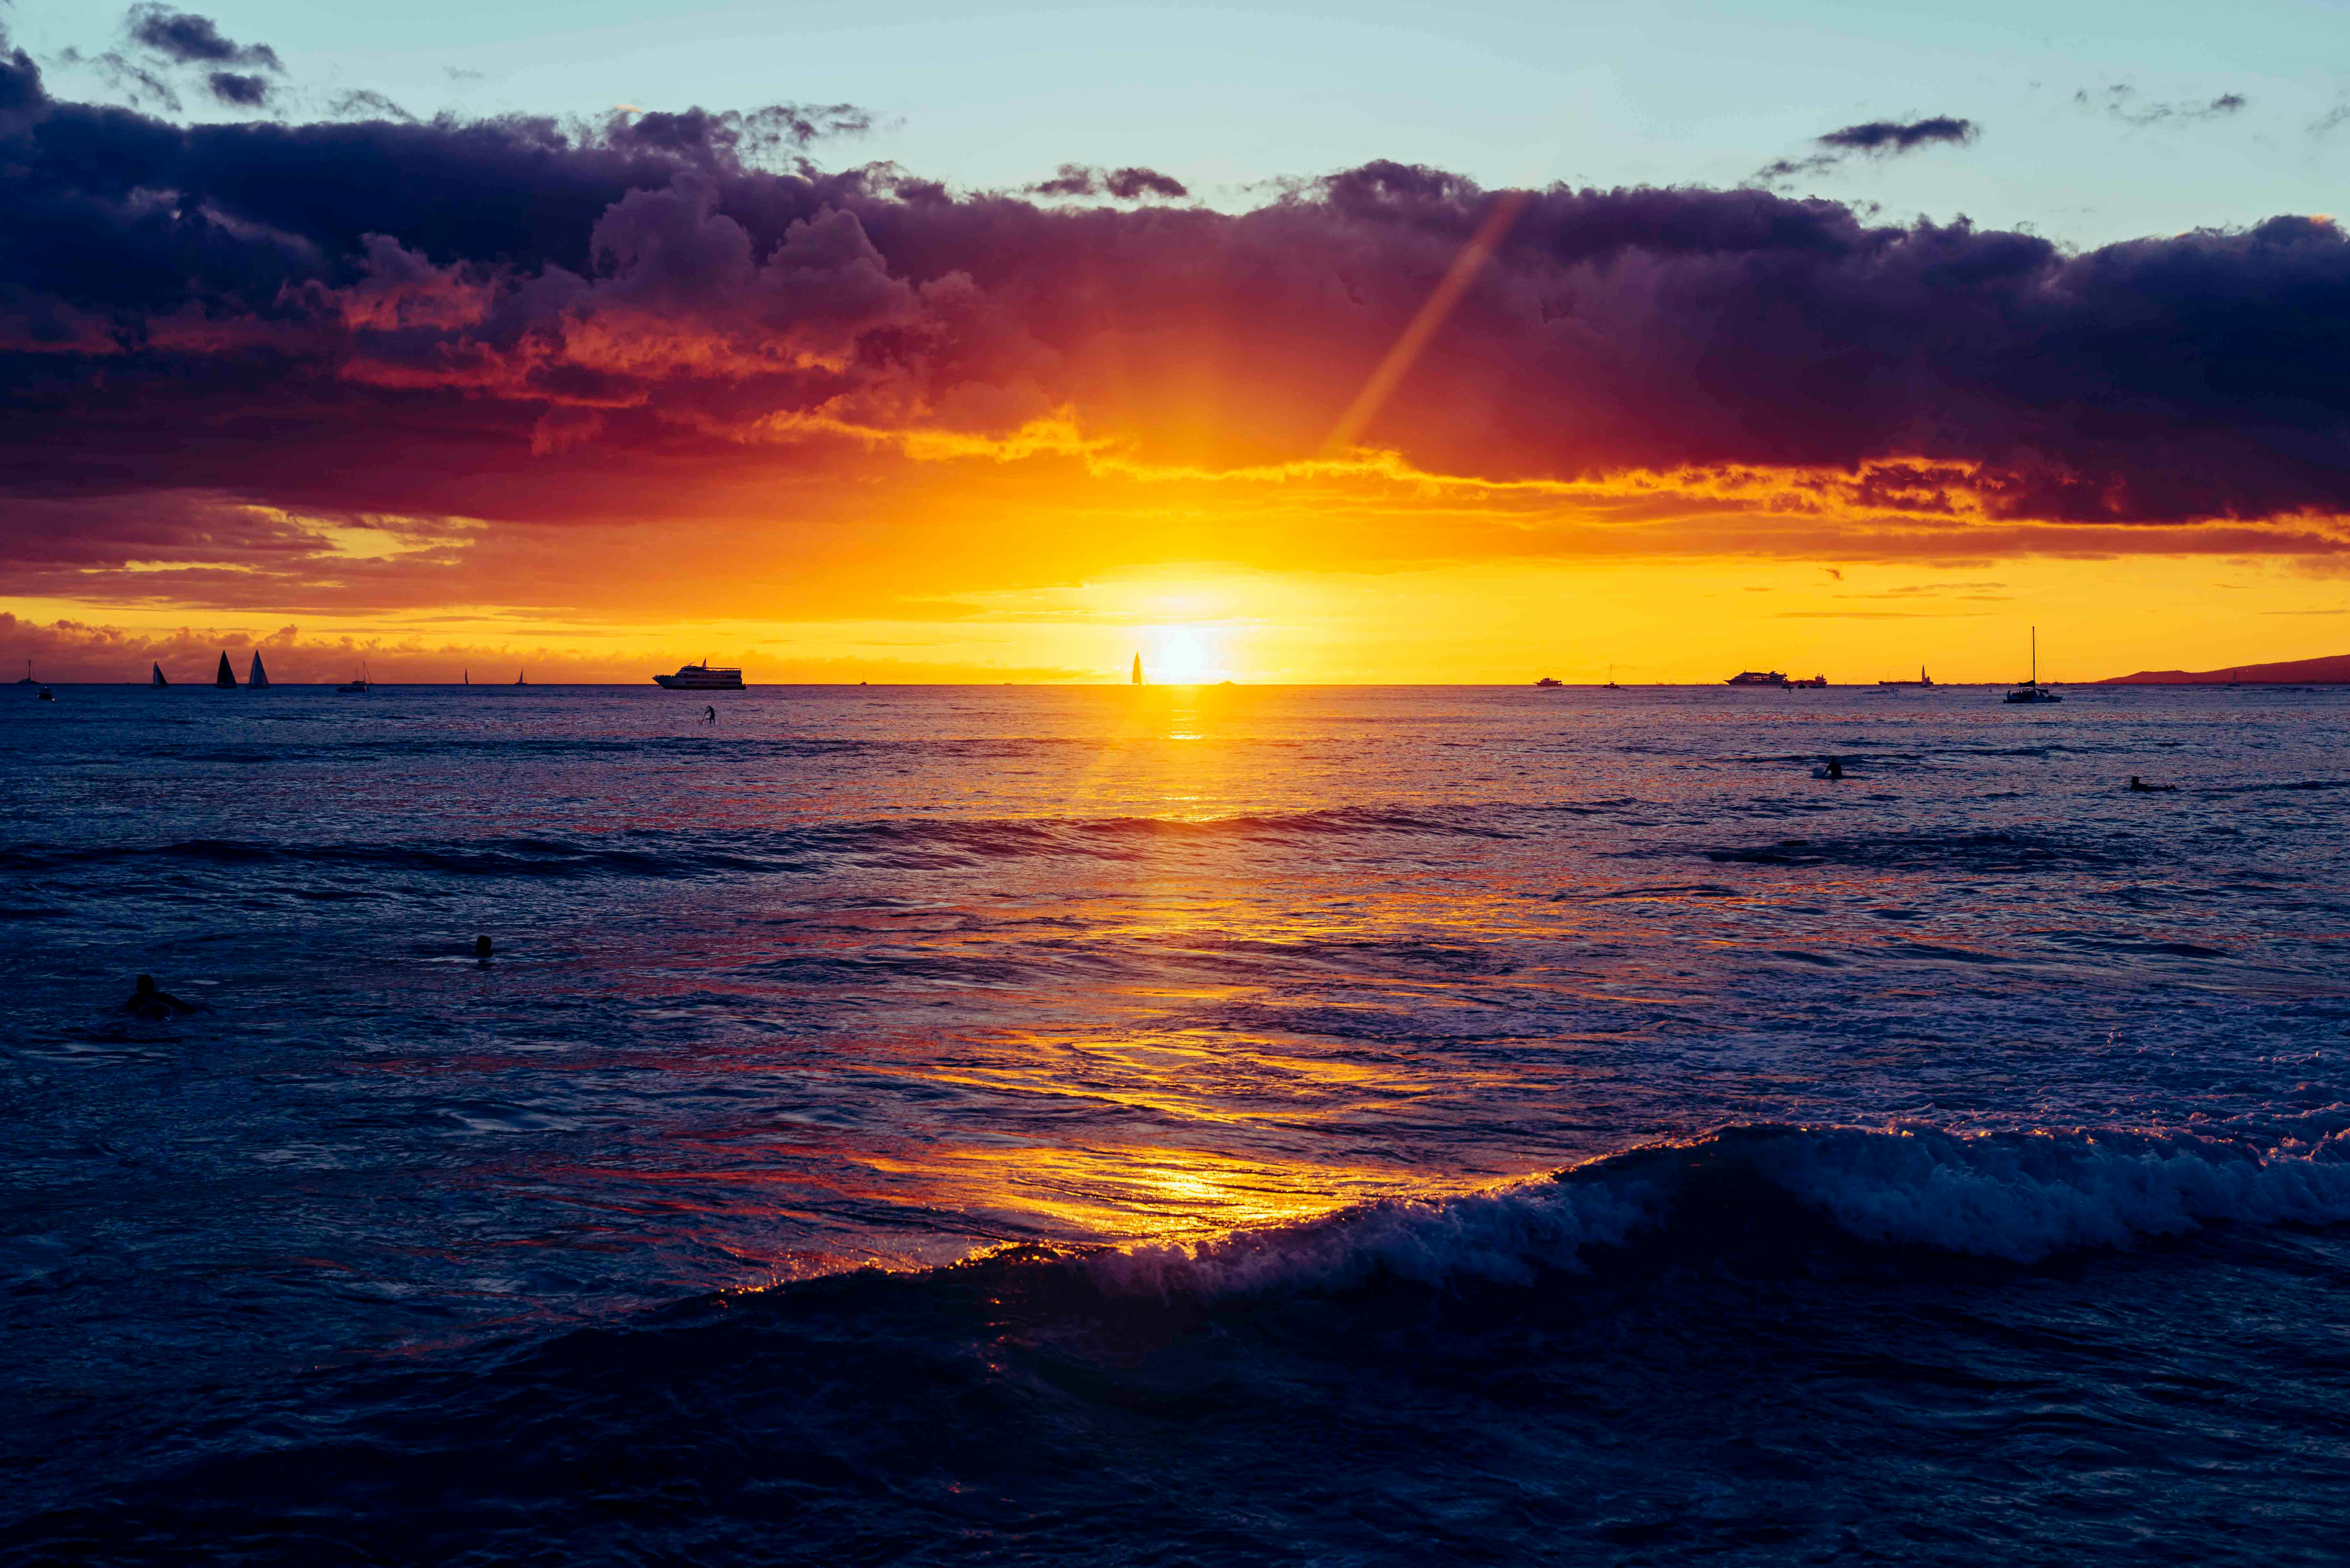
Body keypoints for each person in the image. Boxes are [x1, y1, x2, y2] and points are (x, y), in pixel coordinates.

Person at [124, 974, 194, 1020]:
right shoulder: (164, 997)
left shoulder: (134, 1000)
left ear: (138, 988)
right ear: (153, 986)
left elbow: (126, 1013)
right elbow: (186, 1007)